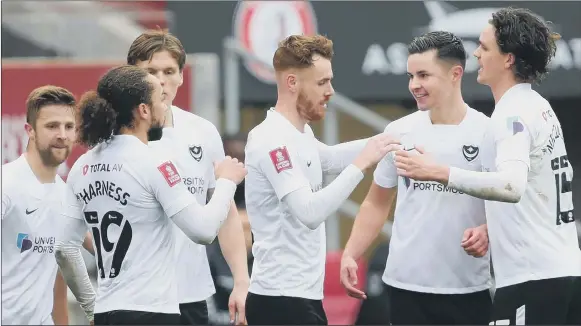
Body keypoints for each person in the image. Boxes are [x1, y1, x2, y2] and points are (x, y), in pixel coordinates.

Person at [394, 8, 581, 325]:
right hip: (562, 273)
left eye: (484, 46)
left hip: (531, 280)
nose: (476, 53)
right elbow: (535, 191)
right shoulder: (537, 105)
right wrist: (491, 227)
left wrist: (438, 172)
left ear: (508, 58)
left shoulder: (511, 115)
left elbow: (511, 185)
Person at [54, 65, 246, 325]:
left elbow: (64, 248)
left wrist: (91, 306)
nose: (165, 107)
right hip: (152, 313)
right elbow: (203, 230)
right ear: (143, 110)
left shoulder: (82, 166)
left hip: (107, 313)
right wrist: (226, 182)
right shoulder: (156, 162)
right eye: (159, 100)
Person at [243, 34, 400, 325]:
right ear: (292, 83)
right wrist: (362, 164)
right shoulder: (271, 139)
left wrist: (392, 139)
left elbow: (327, 159)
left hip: (300, 298)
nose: (331, 91)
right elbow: (309, 213)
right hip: (280, 301)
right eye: (322, 82)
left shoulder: (299, 133)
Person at [340, 31, 492, 325]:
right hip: (405, 287)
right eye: (410, 76)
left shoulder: (488, 132)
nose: (414, 85)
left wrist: (488, 230)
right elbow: (376, 202)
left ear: (455, 74)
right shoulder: (399, 130)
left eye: (424, 75)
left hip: (468, 288)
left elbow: (509, 201)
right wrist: (351, 253)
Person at [127, 29, 249, 325]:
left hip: (191, 296)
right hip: (137, 297)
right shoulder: (119, 137)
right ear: (132, 75)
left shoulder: (202, 132)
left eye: (169, 71)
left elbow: (224, 209)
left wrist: (242, 281)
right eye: (150, 71)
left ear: (182, 75)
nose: (160, 80)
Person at [1, 85, 77, 325]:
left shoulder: (66, 194)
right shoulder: (7, 184)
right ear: (30, 130)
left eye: (69, 126)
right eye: (52, 126)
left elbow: (59, 274)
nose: (62, 135)